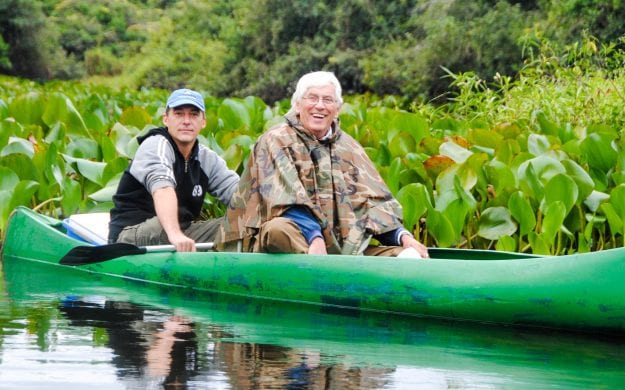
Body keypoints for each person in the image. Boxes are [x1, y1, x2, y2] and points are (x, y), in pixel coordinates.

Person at [216, 71, 428, 258]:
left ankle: (346, 265)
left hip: (339, 246)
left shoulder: (349, 147)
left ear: (337, 109)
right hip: (292, 239)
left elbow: (373, 203)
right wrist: (314, 237)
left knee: (408, 254)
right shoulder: (276, 139)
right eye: (312, 98)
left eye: (328, 100)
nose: (320, 106)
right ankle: (322, 263)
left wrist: (403, 237)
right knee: (278, 229)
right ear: (298, 105)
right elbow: (283, 201)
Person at [108, 88, 239, 251]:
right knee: (162, 225)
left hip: (181, 233)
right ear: (166, 119)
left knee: (240, 225)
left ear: (203, 122)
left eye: (193, 114)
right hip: (131, 235)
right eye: (178, 114)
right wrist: (175, 234)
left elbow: (239, 193)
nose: (186, 121)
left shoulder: (207, 158)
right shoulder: (155, 144)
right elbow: (162, 188)